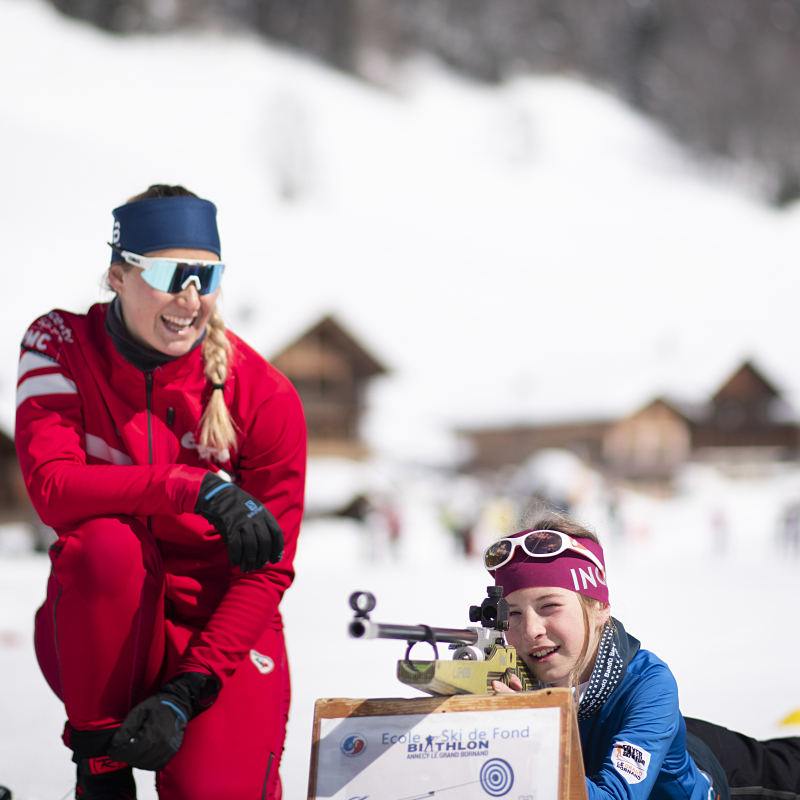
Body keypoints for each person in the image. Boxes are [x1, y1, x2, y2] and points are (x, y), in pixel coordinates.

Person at [15, 185, 306, 800]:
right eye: (173, 275)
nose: (191, 299)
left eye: (208, 275)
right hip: (101, 633)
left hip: (219, 634)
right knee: (105, 543)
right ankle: (99, 764)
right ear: (118, 276)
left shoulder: (265, 395)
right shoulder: (60, 345)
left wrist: (188, 688)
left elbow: (268, 569)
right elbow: (53, 490)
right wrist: (191, 486)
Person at [488, 515, 800, 800]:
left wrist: (528, 735)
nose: (530, 630)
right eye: (513, 613)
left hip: (727, 777)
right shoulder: (513, 678)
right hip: (647, 736)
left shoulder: (650, 684)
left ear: (600, 608)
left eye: (549, 606)